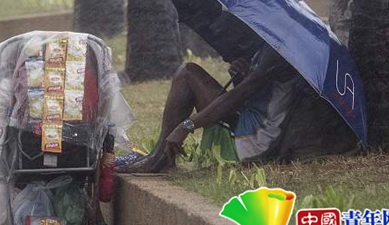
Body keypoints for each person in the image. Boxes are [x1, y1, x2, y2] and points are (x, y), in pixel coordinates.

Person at [119, 11, 308, 174]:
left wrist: (186, 126)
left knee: (188, 75)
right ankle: (159, 155)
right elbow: (253, 95)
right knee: (188, 72)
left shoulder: (276, 52)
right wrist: (240, 76)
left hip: (252, 142)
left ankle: (160, 158)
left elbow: (237, 97)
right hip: (247, 122)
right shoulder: (266, 46)